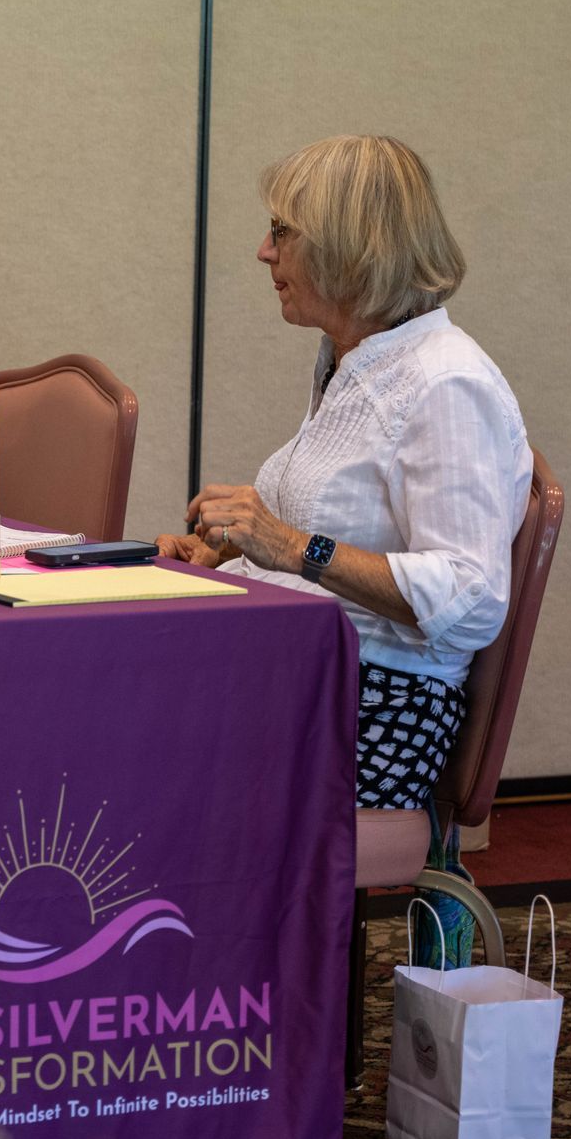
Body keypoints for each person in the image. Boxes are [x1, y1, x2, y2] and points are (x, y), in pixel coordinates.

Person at [156, 136, 529, 959]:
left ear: (349, 245)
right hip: (312, 680)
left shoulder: (445, 382)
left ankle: (218, 1034)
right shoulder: (355, 362)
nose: (264, 251)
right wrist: (236, 558)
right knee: (113, 713)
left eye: (283, 232)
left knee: (136, 764)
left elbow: (468, 598)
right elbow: (334, 549)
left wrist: (288, 546)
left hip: (375, 710)